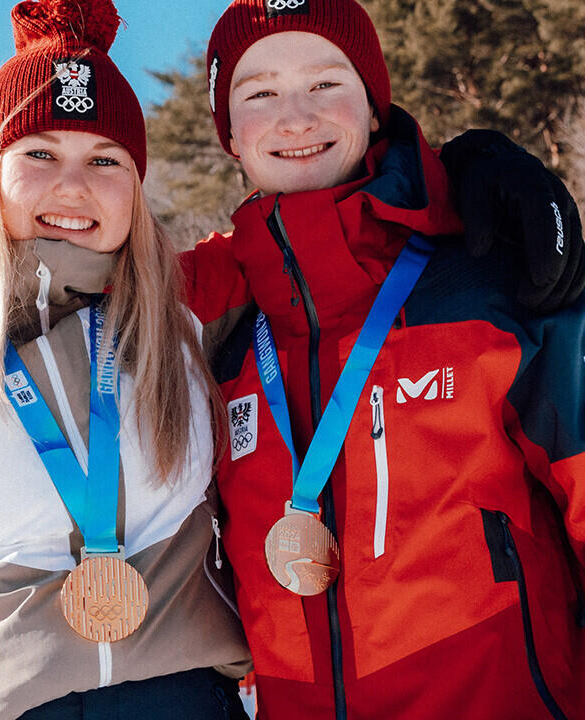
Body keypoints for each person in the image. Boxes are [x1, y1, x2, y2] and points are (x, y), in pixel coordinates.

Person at [180, 0, 585, 718]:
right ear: (230, 135)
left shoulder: (494, 273)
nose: (296, 116)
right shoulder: (223, 334)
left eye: (327, 82)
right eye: (260, 93)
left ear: (374, 107)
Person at [0, 1, 252, 719]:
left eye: (104, 161)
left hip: (184, 697)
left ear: (136, 187)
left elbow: (333, 247)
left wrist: (454, 180)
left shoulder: (199, 302)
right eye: (39, 153)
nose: (72, 186)